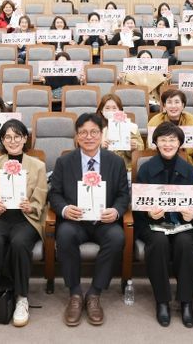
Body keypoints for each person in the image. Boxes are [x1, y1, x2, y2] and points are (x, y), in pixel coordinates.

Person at [49, 113, 129, 327]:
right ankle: (75, 293)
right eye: (83, 132)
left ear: (102, 135)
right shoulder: (64, 161)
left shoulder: (116, 162)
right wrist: (65, 209)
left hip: (104, 222)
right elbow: (54, 194)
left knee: (117, 237)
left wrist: (116, 211)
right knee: (64, 234)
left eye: (94, 132)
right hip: (76, 222)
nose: (89, 137)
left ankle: (94, 293)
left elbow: (123, 195)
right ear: (76, 137)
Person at [0, 119, 47, 327]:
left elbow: (41, 195)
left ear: (25, 139)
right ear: (2, 140)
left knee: (19, 243)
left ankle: (22, 297)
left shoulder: (38, 166)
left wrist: (31, 205)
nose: (13, 141)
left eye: (17, 136)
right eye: (8, 137)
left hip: (25, 218)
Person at [134, 122, 193, 328]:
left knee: (185, 243)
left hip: (181, 224)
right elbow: (137, 204)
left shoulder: (189, 170)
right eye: (163, 140)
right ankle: (162, 301)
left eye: (172, 140)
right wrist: (148, 211)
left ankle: (186, 301)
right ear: (155, 143)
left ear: (180, 143)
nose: (168, 144)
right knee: (159, 242)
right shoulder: (146, 169)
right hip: (151, 224)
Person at [148, 89, 193, 180]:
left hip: (187, 163)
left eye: (177, 102)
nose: (173, 106)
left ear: (183, 105)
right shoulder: (155, 121)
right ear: (164, 106)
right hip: (161, 162)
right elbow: (149, 148)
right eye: (169, 102)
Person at [97, 93, 144, 172]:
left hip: (125, 169)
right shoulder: (95, 128)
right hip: (102, 169)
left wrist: (133, 148)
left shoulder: (131, 127)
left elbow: (141, 150)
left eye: (114, 108)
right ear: (102, 111)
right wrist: (99, 147)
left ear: (120, 110)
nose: (111, 111)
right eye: (107, 108)